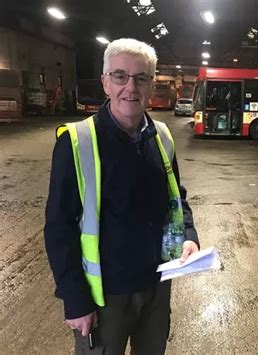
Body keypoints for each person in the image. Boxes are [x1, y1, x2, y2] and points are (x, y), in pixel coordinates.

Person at [44, 38, 199, 354]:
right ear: (105, 82)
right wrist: (75, 299)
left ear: (152, 84)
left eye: (141, 77)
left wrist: (188, 235)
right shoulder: (77, 141)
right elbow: (58, 227)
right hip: (106, 298)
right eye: (120, 76)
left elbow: (176, 198)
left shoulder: (163, 137)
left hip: (156, 287)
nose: (131, 86)